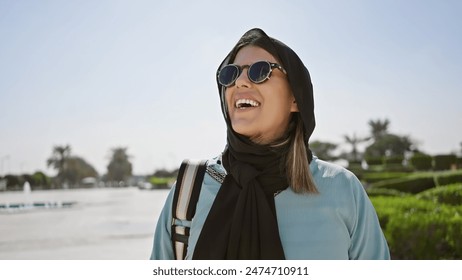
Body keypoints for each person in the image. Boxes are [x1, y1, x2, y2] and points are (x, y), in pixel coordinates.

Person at [150, 28, 390, 260]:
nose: (240, 82)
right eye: (230, 74)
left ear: (295, 97)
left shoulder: (342, 189)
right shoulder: (190, 188)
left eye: (260, 71)